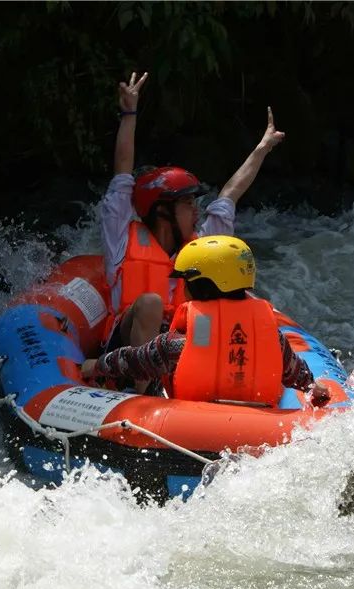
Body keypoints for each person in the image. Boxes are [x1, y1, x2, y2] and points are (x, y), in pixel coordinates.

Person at [101, 70, 285, 391]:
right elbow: (121, 174)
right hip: (125, 351)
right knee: (149, 303)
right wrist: (129, 113)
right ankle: (143, 393)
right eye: (187, 203)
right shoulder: (120, 239)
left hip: (177, 348)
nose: (196, 209)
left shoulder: (202, 245)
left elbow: (229, 195)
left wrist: (262, 149)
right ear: (162, 211)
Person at [82, 236, 331, 407]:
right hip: (256, 423)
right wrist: (312, 385)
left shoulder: (180, 341)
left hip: (186, 425)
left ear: (200, 286)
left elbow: (135, 361)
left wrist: (97, 366)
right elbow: (294, 373)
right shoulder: (271, 337)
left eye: (186, 282)